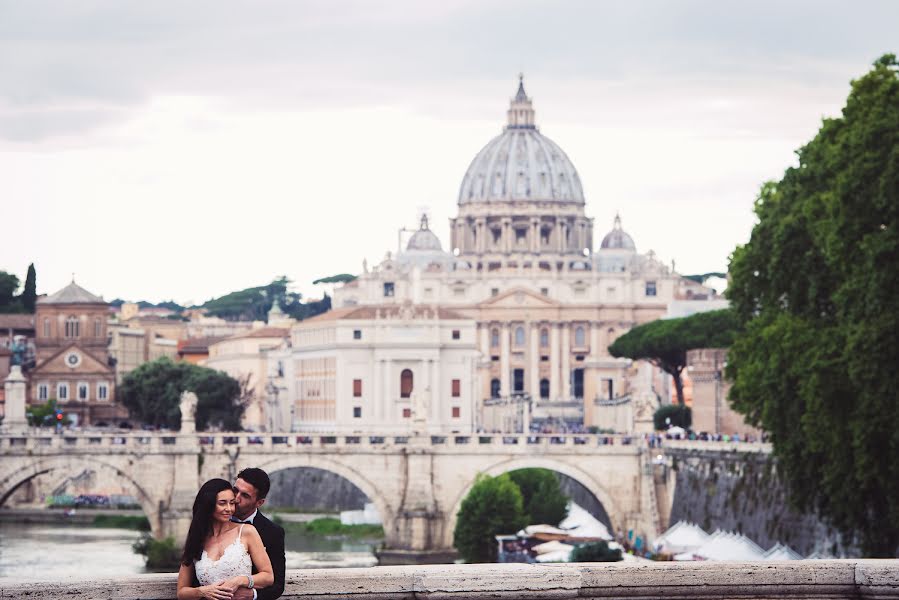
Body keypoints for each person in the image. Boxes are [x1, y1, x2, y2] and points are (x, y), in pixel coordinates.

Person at [177, 478, 274, 600]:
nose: (229, 509)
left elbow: (268, 577)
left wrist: (239, 581)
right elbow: (181, 592)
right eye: (222, 503)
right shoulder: (197, 538)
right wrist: (202, 591)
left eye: (232, 503)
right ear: (209, 505)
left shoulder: (247, 532)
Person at [227, 468, 286, 600]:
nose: (236, 499)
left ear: (259, 503)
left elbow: (277, 584)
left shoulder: (273, 532)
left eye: (245, 495)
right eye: (235, 490)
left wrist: (253, 595)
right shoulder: (212, 522)